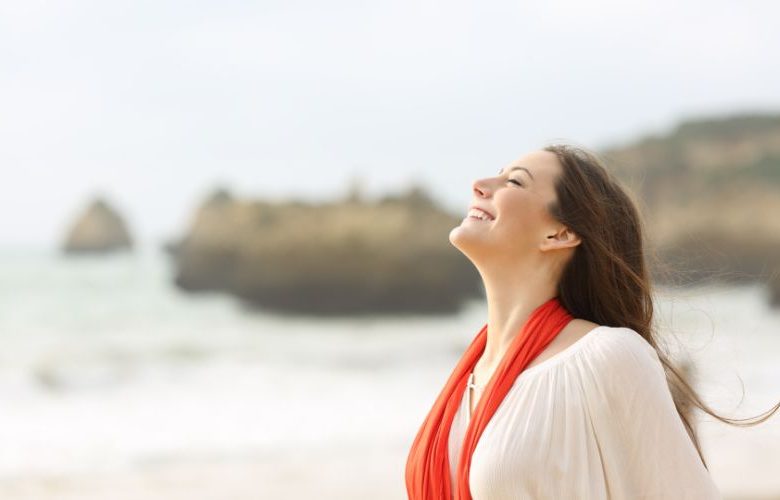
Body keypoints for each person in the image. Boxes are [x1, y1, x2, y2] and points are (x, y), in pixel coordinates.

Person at [404, 144, 779, 500]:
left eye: (514, 181)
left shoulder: (607, 356)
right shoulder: (469, 374)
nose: (479, 184)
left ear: (560, 234)